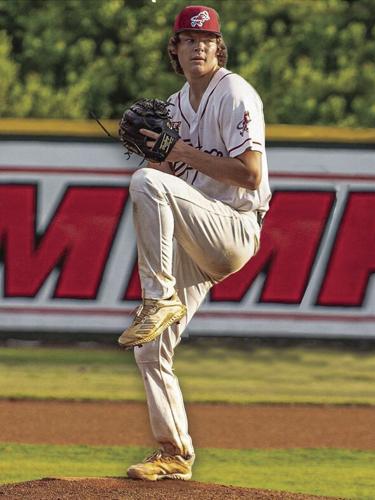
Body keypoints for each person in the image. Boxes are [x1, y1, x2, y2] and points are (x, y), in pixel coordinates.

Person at [119, 4, 271, 481]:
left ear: (218, 46)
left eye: (207, 39)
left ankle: (158, 294)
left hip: (235, 227)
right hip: (197, 234)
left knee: (145, 183)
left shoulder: (235, 93)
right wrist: (159, 157)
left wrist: (177, 153)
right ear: (176, 48)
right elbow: (168, 174)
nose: (198, 46)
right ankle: (174, 453)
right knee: (150, 349)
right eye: (188, 39)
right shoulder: (176, 103)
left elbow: (250, 175)